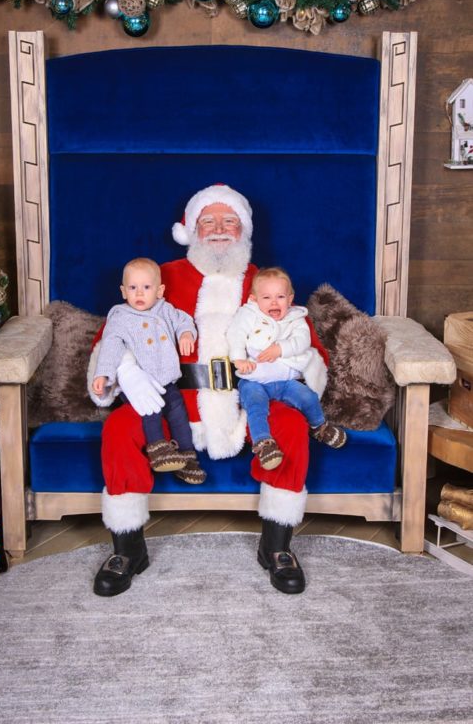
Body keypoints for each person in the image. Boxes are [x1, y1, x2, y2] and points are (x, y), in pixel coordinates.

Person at [89, 183, 329, 597]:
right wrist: (127, 373)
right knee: (117, 430)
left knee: (289, 426)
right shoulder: (160, 278)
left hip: (249, 399)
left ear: (245, 231)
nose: (219, 229)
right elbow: (111, 335)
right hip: (170, 400)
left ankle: (277, 547)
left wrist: (292, 370)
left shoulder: (265, 283)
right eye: (209, 221)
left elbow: (308, 343)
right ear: (190, 229)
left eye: (230, 221)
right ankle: (128, 549)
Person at [91, 257, 203, 481]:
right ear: (123, 291)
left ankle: (187, 456)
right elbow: (111, 345)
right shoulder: (120, 317)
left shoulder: (165, 310)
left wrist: (186, 334)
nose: (139, 294)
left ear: (160, 291)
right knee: (149, 410)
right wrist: (103, 373)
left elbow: (184, 320)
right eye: (133, 288)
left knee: (178, 413)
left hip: (166, 381)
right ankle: (157, 449)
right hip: (139, 385)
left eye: (146, 287)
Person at [227, 266, 346, 471]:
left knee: (307, 397)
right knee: (255, 406)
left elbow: (302, 340)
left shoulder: (295, 318)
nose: (274, 302)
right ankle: (264, 443)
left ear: (290, 299)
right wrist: (239, 360)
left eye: (280, 296)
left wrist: (280, 349)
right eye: (266, 297)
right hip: (254, 378)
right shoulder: (247, 315)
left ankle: (319, 426)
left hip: (285, 379)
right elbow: (235, 335)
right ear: (254, 299)